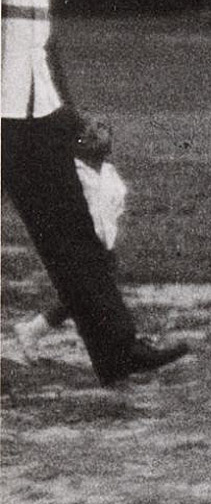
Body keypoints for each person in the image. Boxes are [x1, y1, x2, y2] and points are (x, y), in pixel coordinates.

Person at [1, 0, 190, 386]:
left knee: (74, 233)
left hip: (33, 102)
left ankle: (116, 349)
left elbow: (45, 22)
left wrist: (70, 108)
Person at [14, 114, 126, 352]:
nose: (96, 133)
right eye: (89, 131)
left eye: (103, 128)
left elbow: (113, 209)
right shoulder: (71, 171)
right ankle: (35, 331)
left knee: (87, 297)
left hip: (103, 246)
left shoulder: (110, 173)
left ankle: (33, 330)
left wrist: (108, 244)